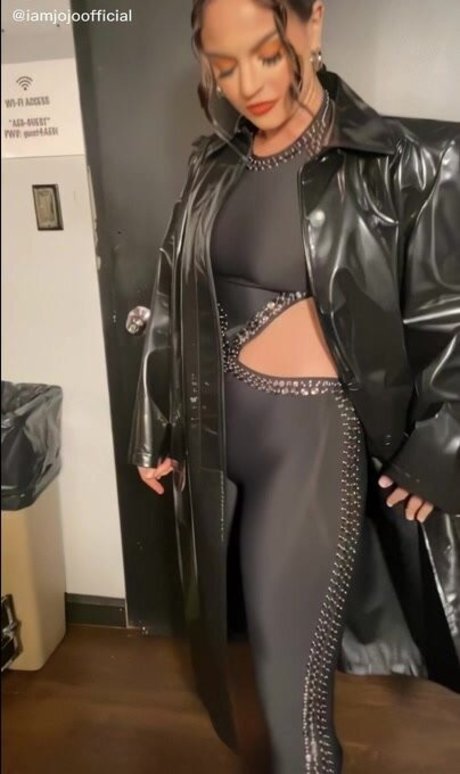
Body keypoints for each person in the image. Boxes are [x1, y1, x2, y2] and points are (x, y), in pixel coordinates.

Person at [128, 1, 460, 772]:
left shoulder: (406, 160)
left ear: (314, 23)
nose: (248, 84)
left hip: (305, 448)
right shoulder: (214, 164)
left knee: (291, 704)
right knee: (246, 668)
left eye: (268, 54)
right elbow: (175, 295)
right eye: (223, 66)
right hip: (215, 440)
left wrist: (445, 437)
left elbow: (450, 312)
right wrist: (157, 418)